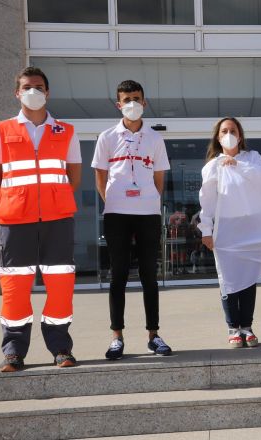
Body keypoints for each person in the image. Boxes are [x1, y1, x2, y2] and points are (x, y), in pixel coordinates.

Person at [0, 67, 82, 372]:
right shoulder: (1, 130)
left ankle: (61, 347)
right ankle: (14, 351)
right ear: (17, 92)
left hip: (58, 220)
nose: (33, 91)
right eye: (27, 87)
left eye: (39, 87)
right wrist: (20, 200)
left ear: (48, 92)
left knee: (61, 285)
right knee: (14, 286)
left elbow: (73, 177)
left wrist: (50, 200)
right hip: (16, 220)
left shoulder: (66, 130)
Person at [92, 80, 172, 360]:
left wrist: (148, 199)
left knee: (150, 276)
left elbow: (160, 177)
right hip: (116, 213)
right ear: (118, 104)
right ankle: (117, 336)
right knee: (119, 275)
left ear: (145, 102)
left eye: (137, 98)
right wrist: (112, 200)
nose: (132, 104)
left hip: (147, 213)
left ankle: (154, 335)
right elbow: (100, 175)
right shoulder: (107, 137)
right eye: (127, 99)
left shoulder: (155, 138)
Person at [198, 117, 261, 348]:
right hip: (226, 228)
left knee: (248, 278)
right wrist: (205, 230)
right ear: (218, 138)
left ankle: (247, 327)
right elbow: (207, 201)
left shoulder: (252, 158)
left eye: (233, 130)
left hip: (251, 228)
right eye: (224, 131)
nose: (229, 134)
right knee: (228, 279)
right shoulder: (212, 166)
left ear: (240, 135)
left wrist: (238, 165)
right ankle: (233, 327)